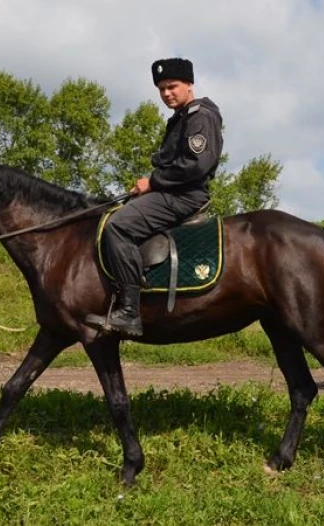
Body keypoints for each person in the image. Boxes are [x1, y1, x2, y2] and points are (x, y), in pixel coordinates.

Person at [86, 57, 223, 336]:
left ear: (189, 84)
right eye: (161, 89)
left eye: (172, 86)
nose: (166, 93)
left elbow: (197, 164)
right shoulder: (182, 118)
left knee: (118, 227)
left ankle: (129, 312)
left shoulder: (200, 117)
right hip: (172, 192)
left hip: (184, 196)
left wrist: (153, 182)